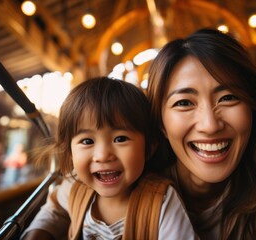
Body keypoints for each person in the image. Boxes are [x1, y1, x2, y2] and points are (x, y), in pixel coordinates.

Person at [146, 28, 256, 239]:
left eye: (228, 97)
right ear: (160, 123)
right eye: (184, 103)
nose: (210, 125)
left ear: (252, 109)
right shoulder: (133, 182)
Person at [21, 77, 198, 239]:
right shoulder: (74, 186)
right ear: (70, 151)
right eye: (87, 141)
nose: (103, 155)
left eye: (120, 139)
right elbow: (54, 211)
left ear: (149, 148)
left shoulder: (161, 200)